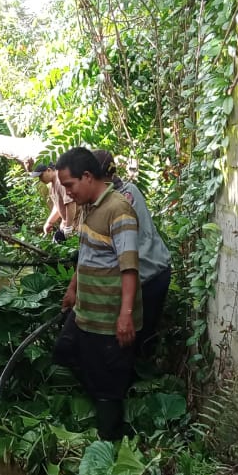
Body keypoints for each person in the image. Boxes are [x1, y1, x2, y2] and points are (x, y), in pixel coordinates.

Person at [52, 147, 142, 440]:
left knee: (108, 388)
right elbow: (87, 255)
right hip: (85, 313)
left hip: (109, 319)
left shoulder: (119, 210)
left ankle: (110, 444)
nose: (67, 194)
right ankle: (103, 402)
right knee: (63, 351)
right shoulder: (89, 206)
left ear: (88, 177)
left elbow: (129, 268)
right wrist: (72, 289)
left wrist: (125, 316)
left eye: (69, 186)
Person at [93, 149, 172, 355]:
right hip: (154, 270)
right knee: (140, 336)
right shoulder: (127, 190)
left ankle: (143, 379)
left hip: (148, 274)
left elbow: (119, 248)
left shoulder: (119, 200)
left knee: (138, 337)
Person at [32, 162, 78, 243]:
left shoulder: (62, 181)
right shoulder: (52, 186)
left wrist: (68, 227)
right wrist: (49, 222)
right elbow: (57, 206)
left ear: (49, 170)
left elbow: (71, 204)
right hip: (68, 223)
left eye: (41, 176)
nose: (40, 179)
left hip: (79, 223)